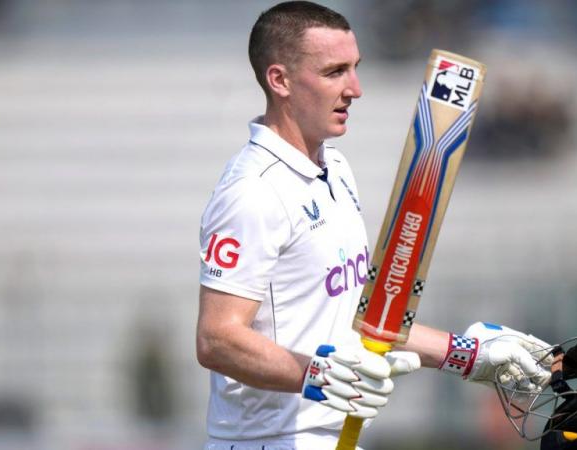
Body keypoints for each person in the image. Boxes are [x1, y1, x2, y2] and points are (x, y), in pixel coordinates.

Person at [196, 2, 552, 449]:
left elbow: (356, 318)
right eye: (334, 72)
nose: (355, 89)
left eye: (355, 68)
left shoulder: (336, 168)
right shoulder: (252, 191)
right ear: (279, 80)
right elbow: (217, 340)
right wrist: (316, 375)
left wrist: (467, 356)